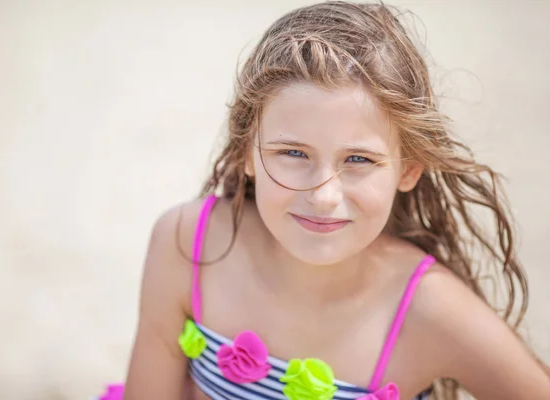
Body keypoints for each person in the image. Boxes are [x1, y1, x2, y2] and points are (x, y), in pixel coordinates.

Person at [119, 1, 550, 399]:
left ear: (409, 169)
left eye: (359, 159)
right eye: (293, 153)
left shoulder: (430, 310)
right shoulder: (189, 244)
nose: (324, 196)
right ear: (246, 151)